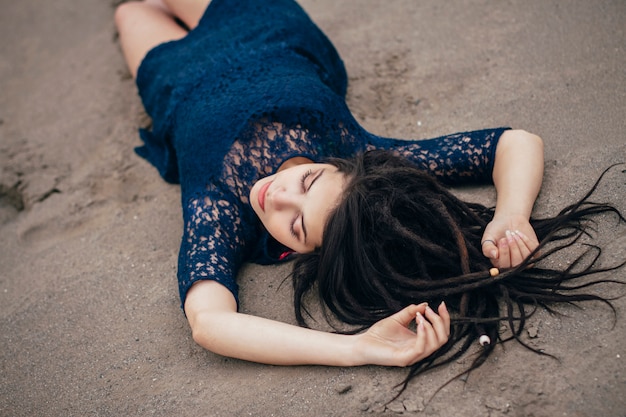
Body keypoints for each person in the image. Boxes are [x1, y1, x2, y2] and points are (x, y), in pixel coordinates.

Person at [114, 0, 624, 393]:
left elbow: (210, 322)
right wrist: (511, 217)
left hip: (175, 79)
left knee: (130, 9)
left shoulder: (219, 210)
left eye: (295, 225)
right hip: (259, 19)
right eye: (308, 183)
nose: (277, 197)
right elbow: (515, 142)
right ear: (337, 168)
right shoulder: (359, 158)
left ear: (298, 252)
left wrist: (356, 348)